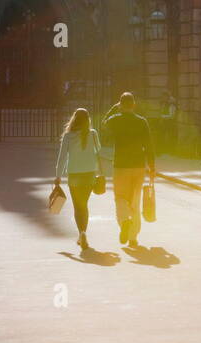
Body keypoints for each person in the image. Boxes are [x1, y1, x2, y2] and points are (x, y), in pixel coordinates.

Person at [101, 92, 155, 248]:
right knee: (135, 201)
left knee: (120, 197)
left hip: (121, 165)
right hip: (138, 165)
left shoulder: (115, 120)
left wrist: (113, 109)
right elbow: (149, 145)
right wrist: (152, 166)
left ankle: (125, 221)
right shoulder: (142, 121)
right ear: (134, 105)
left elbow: (104, 124)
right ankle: (133, 238)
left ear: (121, 104)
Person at [54, 108, 102, 250]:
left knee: (77, 206)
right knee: (84, 205)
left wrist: (58, 176)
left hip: (74, 174)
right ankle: (83, 233)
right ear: (88, 120)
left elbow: (62, 157)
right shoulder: (93, 134)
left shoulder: (68, 136)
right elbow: (98, 150)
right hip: (89, 174)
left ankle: (81, 233)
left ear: (74, 119)